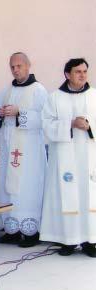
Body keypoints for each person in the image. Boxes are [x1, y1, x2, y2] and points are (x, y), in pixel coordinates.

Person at [41, 58, 96, 257]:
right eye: (77, 71)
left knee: (88, 195)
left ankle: (91, 241)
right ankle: (68, 240)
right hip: (64, 156)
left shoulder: (94, 96)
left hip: (89, 157)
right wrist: (71, 123)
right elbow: (46, 125)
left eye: (85, 71)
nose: (82, 75)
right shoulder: (55, 97)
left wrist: (89, 125)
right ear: (67, 74)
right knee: (66, 194)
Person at [0, 52, 48, 247]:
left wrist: (20, 113)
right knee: (7, 187)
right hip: (8, 148)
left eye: (19, 66)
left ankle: (30, 231)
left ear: (28, 65)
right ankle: (12, 229)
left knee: (27, 188)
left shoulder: (38, 90)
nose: (15, 70)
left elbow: (45, 119)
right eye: (12, 67)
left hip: (29, 151)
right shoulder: (6, 90)